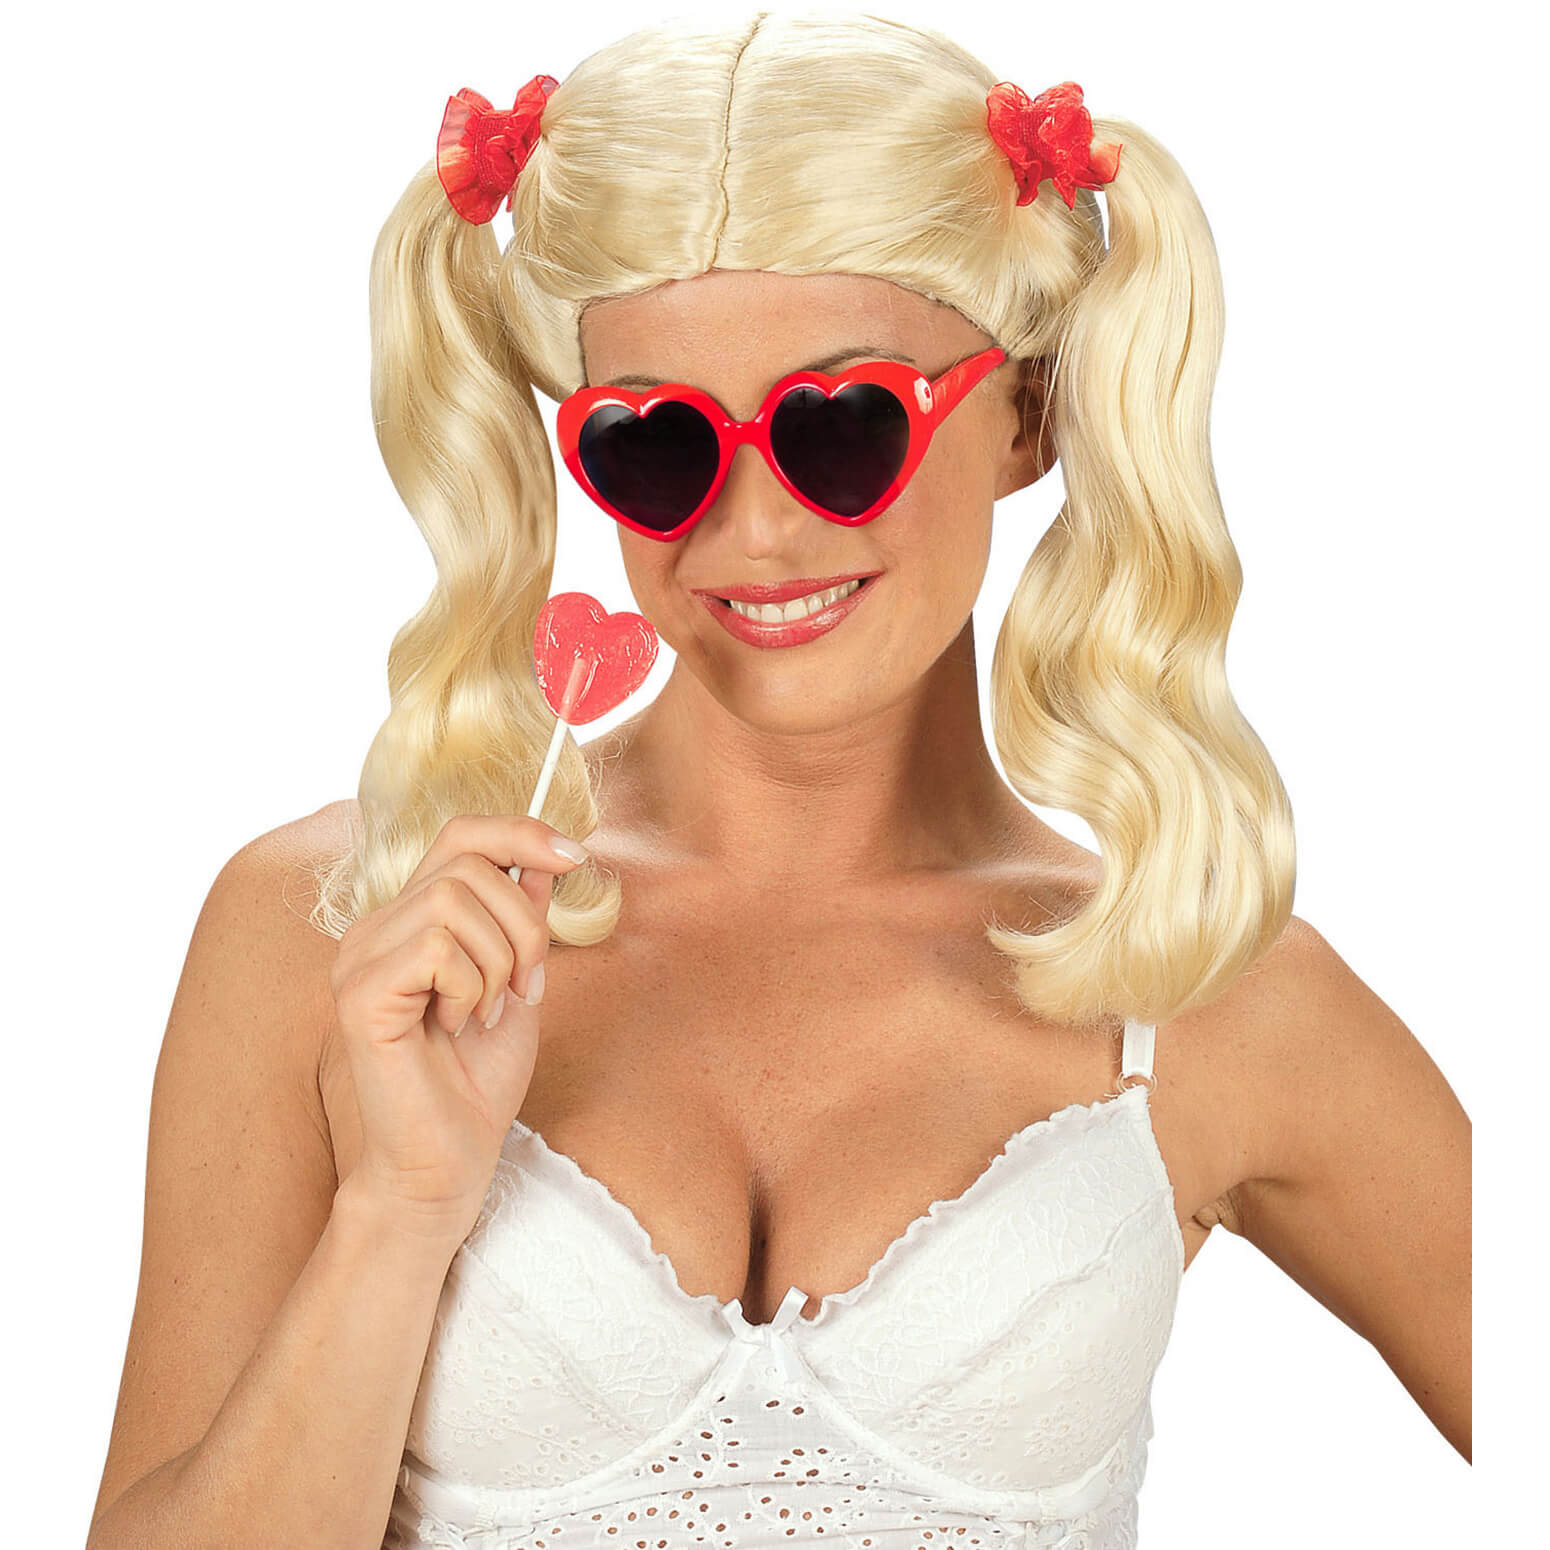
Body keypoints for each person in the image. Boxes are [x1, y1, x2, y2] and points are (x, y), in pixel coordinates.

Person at [85, 10, 1471, 1549]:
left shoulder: (1195, 987)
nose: (749, 531)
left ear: (1026, 414)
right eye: (658, 444)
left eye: (841, 425)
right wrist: (397, 1212)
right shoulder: (348, 930)